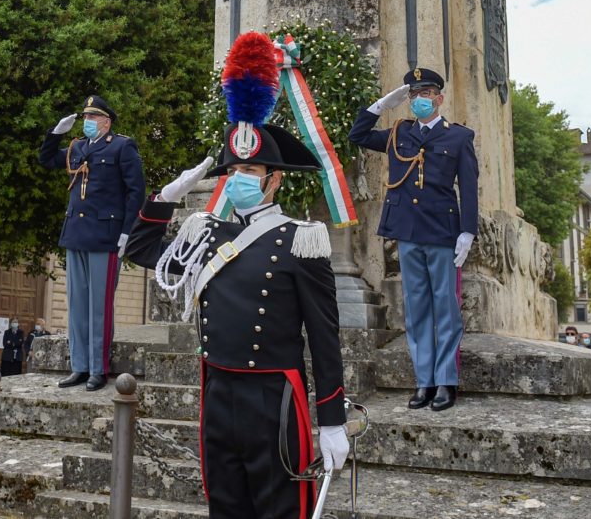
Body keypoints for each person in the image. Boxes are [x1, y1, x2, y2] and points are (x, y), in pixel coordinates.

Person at [124, 32, 348, 518]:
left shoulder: (300, 240)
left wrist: (332, 418)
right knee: (225, 507)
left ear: (274, 178)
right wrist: (163, 199)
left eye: (252, 170)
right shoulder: (207, 233)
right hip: (218, 390)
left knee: (280, 508)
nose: (241, 179)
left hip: (274, 396)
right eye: (235, 171)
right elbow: (142, 251)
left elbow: (324, 338)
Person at [350, 66, 478, 412]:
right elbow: (358, 135)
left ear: (439, 98)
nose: (420, 99)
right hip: (406, 231)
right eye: (414, 94)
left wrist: (468, 231)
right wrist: (381, 105)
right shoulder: (399, 133)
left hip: (442, 232)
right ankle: (424, 382)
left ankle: (446, 381)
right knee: (417, 308)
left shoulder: (458, 137)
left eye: (426, 93)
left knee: (445, 308)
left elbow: (468, 187)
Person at [39, 94, 146, 391]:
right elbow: (46, 160)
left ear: (106, 122)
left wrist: (127, 232)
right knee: (77, 305)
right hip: (76, 233)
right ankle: (80, 366)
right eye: (85, 117)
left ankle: (98, 369)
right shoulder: (78, 147)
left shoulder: (122, 147)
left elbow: (136, 192)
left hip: (105, 236)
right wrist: (55, 134)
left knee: (99, 307)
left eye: (92, 117)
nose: (87, 121)